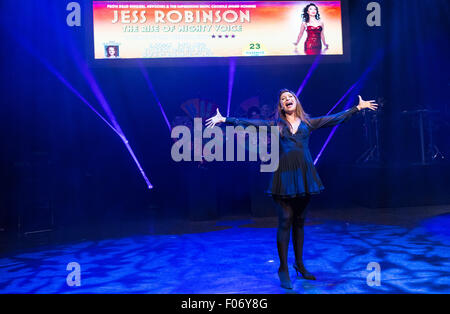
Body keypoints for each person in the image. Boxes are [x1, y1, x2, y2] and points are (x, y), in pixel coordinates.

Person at [205, 89, 378, 289]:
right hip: (284, 177)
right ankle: (283, 268)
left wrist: (357, 108)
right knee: (286, 220)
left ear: (296, 102)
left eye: (290, 97)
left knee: (299, 222)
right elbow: (251, 123)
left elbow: (334, 119)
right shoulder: (276, 125)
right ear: (280, 106)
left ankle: (300, 264)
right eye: (283, 99)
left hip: (304, 176)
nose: (287, 99)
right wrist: (225, 119)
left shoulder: (308, 123)